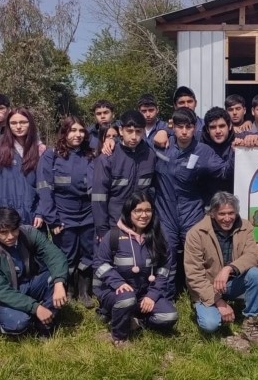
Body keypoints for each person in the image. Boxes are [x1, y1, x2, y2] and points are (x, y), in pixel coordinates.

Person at [154, 107, 233, 299]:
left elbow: (224, 171)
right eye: (179, 127)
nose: (184, 131)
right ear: (172, 127)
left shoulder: (203, 151)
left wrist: (238, 151)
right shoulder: (160, 145)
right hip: (165, 212)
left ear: (194, 127)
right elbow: (134, 144)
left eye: (188, 127)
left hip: (191, 211)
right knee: (168, 254)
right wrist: (109, 142)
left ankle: (198, 296)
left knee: (196, 255)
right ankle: (167, 297)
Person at [93, 192, 178, 347]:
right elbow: (100, 264)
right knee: (126, 298)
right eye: (138, 211)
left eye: (148, 210)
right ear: (128, 212)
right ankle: (119, 336)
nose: (143, 215)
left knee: (169, 316)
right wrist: (117, 283)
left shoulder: (159, 236)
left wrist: (152, 296)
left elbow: (164, 270)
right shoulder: (113, 236)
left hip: (144, 294)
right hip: (116, 292)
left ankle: (136, 321)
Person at [184, 192, 258, 344]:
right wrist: (219, 302)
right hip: (208, 288)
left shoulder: (245, 226)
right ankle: (211, 308)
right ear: (212, 213)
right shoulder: (196, 234)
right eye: (222, 214)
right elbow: (194, 276)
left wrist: (228, 269)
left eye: (231, 213)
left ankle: (251, 322)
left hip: (232, 283)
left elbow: (252, 255)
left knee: (254, 274)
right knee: (210, 325)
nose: (227, 218)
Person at [0, 208, 68, 336]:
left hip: (26, 284)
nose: (10, 236)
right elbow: (1, 291)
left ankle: (44, 323)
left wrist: (59, 282)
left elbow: (55, 255)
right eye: (3, 232)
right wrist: (36, 307)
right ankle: (22, 319)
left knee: (58, 277)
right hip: (1, 297)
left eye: (14, 230)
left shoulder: (29, 233)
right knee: (19, 321)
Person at [37, 116, 96, 308]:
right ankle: (68, 290)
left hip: (88, 214)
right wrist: (52, 219)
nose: (77, 135)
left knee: (88, 253)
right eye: (73, 130)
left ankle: (85, 291)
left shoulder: (91, 154)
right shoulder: (51, 155)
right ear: (64, 132)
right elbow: (44, 188)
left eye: (81, 131)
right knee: (66, 255)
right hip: (63, 215)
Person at [91, 110, 156, 240]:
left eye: (138, 132)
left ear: (143, 132)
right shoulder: (108, 158)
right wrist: (102, 230)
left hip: (141, 225)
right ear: (121, 131)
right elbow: (99, 197)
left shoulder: (150, 155)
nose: (134, 137)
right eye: (129, 131)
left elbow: (153, 190)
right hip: (114, 224)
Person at [0, 107, 43, 227]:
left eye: (23, 122)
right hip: (5, 215)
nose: (19, 126)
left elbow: (45, 186)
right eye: (14, 123)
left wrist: (40, 213)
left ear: (30, 124)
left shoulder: (40, 150)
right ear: (8, 126)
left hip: (32, 215)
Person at [200, 107, 236, 200]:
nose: (218, 131)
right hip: (208, 205)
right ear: (207, 129)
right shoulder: (199, 145)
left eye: (222, 126)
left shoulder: (239, 141)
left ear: (230, 126)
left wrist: (257, 137)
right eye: (212, 127)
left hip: (235, 204)